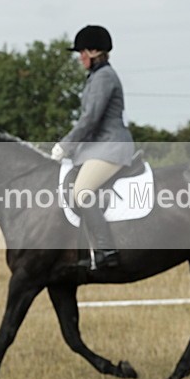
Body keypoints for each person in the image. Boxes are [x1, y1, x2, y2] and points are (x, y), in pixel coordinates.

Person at [51, 25, 135, 269]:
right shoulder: (96, 77)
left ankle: (106, 250)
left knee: (82, 191)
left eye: (82, 52)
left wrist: (66, 145)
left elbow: (90, 119)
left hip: (111, 146)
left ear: (95, 51)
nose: (80, 58)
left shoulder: (104, 77)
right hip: (99, 147)